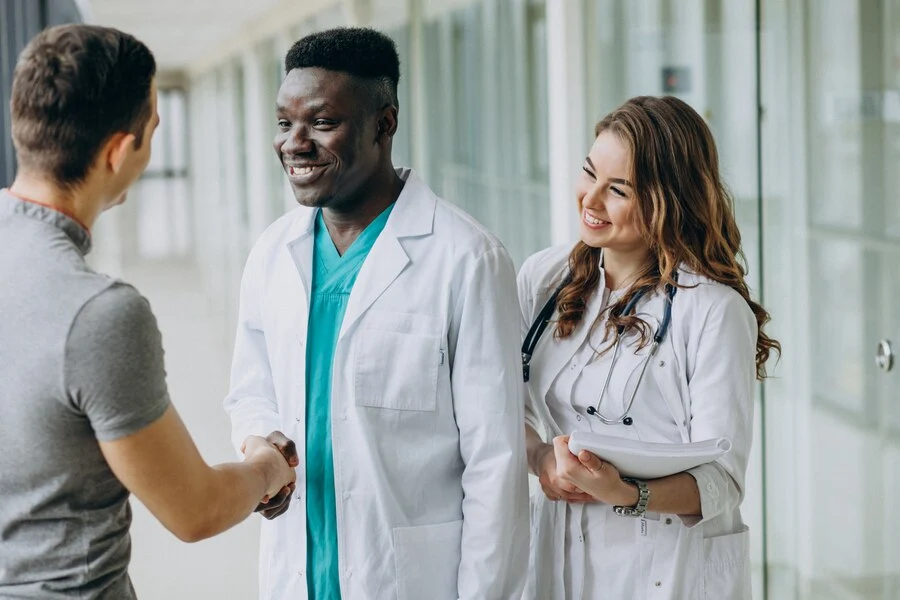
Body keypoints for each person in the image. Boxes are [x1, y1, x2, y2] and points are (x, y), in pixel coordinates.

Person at [223, 27, 528, 600]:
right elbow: (250, 389)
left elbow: (495, 464)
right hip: (298, 569)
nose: (294, 143)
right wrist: (260, 442)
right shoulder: (272, 252)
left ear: (384, 124)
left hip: (409, 581)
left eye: (321, 122)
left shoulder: (466, 259)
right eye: (284, 123)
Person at [0, 25, 296, 600]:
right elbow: (196, 510)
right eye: (152, 130)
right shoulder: (98, 315)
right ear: (118, 152)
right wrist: (268, 465)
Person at [517, 96, 780, 600]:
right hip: (560, 549)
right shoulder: (544, 278)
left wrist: (624, 493)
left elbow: (723, 481)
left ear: (668, 201)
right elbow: (504, 403)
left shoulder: (713, 311)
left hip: (668, 565)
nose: (591, 200)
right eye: (589, 173)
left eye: (618, 189)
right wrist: (541, 459)